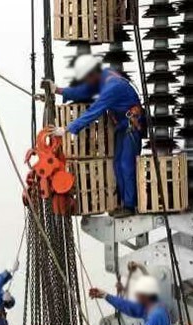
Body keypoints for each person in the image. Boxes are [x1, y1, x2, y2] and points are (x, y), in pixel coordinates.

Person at [43, 55, 144, 218]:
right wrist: (58, 90)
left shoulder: (113, 87)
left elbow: (93, 111)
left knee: (126, 165)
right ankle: (124, 203)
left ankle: (130, 205)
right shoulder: (103, 76)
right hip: (122, 126)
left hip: (132, 127)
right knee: (117, 164)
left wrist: (67, 129)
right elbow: (84, 91)